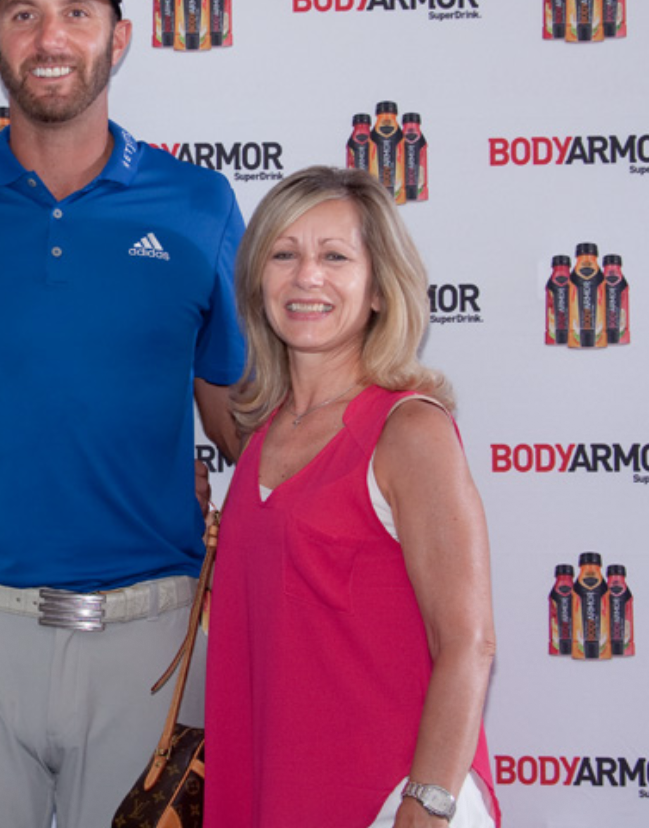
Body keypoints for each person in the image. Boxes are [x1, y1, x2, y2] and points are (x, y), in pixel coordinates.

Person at [0, 0, 246, 828]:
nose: (51, 39)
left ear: (120, 38)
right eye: (24, 15)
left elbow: (242, 422)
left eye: (78, 14)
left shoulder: (199, 205)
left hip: (152, 635)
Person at [204, 166, 501, 828]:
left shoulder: (409, 430)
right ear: (258, 280)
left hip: (387, 803)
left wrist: (427, 805)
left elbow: (469, 642)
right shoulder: (262, 434)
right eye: (284, 254)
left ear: (376, 288)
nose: (307, 276)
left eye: (335, 256)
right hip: (273, 794)